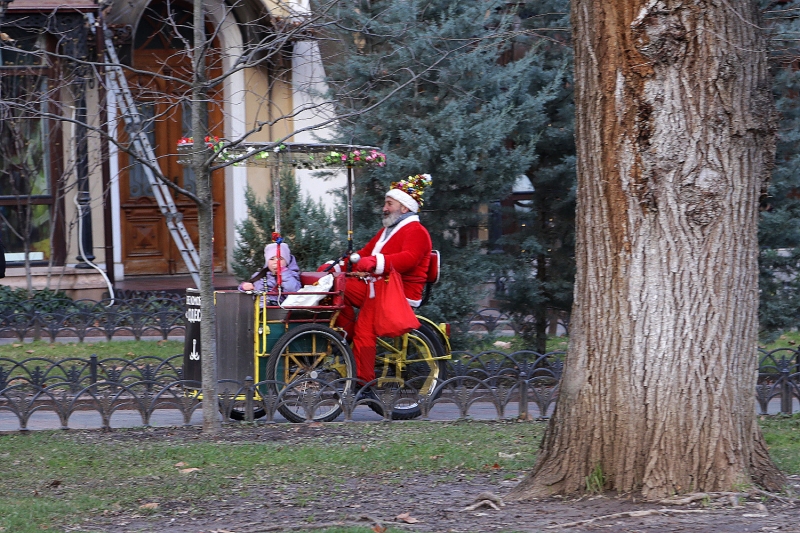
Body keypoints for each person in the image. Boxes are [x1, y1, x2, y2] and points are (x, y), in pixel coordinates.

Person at [334, 174, 433, 385]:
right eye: (385, 203)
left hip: (397, 294)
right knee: (336, 287)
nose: (384, 208)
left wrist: (377, 263)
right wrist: (336, 268)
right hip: (378, 288)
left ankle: (363, 383)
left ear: (404, 208)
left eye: (389, 203)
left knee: (364, 330)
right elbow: (363, 254)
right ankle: (344, 336)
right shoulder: (387, 231)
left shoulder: (417, 231)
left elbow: (408, 259)